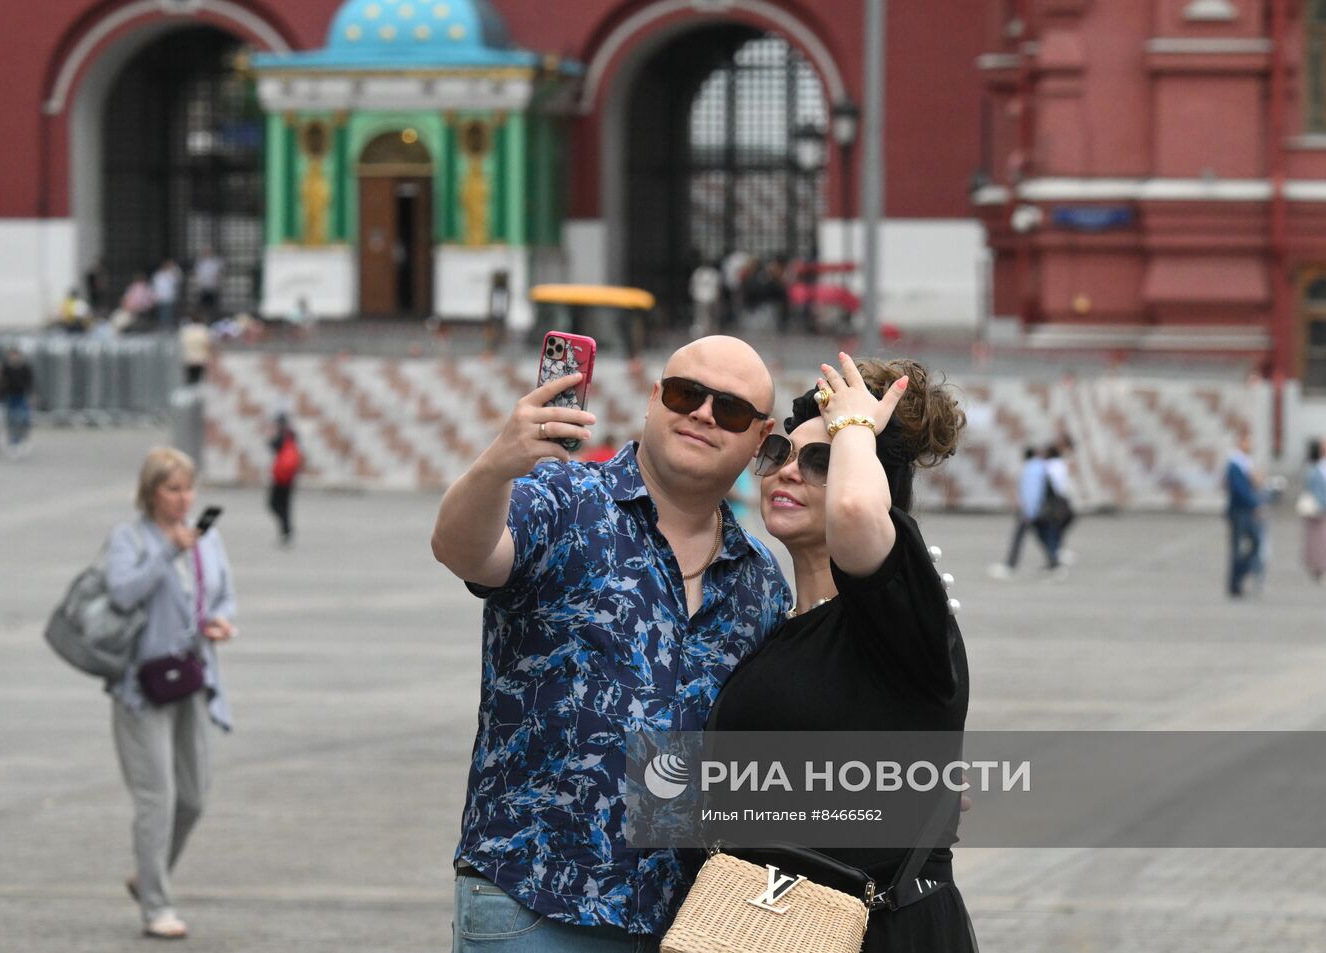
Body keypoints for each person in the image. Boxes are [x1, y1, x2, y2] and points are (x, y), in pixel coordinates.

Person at [431, 336, 791, 950]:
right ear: (654, 399)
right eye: (686, 394)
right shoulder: (566, 500)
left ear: (760, 439)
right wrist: (498, 465)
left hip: (682, 921)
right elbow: (464, 549)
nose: (702, 414)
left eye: (730, 410)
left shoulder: (759, 580)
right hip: (534, 903)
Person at [709, 353, 974, 951]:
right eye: (779, 454)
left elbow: (856, 513)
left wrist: (854, 426)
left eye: (821, 459)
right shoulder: (779, 623)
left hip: (881, 932)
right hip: (772, 928)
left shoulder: (901, 615)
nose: (786, 473)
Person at [105, 448, 236, 939]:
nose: (183, 499)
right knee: (155, 797)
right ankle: (155, 904)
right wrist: (167, 551)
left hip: (191, 678)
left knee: (194, 796)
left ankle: (147, 873)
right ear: (150, 493)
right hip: (140, 686)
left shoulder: (208, 538)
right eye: (172, 489)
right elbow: (122, 593)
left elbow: (221, 593)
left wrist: (219, 620)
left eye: (187, 488)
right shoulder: (130, 539)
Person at [988, 447, 1056, 578]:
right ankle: (1054, 563)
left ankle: (1010, 565)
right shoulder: (1041, 467)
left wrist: (1029, 512)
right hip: (1041, 510)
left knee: (1019, 538)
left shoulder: (1031, 469)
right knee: (1043, 537)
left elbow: (1032, 492)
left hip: (1031, 511)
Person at [1226, 432, 1264, 598]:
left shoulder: (1245, 463)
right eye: (1247, 442)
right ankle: (1235, 582)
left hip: (1246, 510)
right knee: (1238, 547)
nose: (1250, 445)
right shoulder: (1234, 463)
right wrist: (1254, 504)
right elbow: (1239, 490)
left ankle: (1239, 576)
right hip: (1240, 511)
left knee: (1254, 543)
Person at [269, 414, 302, 546]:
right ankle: (287, 529)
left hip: (280, 477)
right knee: (285, 505)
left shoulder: (281, 437)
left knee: (274, 504)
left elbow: (272, 445)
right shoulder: (292, 436)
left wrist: (271, 434)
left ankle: (286, 528)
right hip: (289, 477)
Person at [0, 347, 34, 458]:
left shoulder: (25, 367)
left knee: (24, 418)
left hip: (22, 396)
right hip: (10, 397)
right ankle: (13, 443)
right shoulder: (6, 368)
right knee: (12, 420)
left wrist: (32, 396)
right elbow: (0, 382)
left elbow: (30, 383)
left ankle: (24, 437)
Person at [1302, 438, 1326, 582]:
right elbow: (1313, 488)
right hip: (1319, 510)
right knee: (1318, 541)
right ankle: (1318, 566)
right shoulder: (1316, 468)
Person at [688, 255, 721, 338]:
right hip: (702, 297)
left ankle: (709, 330)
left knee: (708, 316)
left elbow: (716, 286)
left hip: (708, 297)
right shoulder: (699, 272)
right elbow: (693, 285)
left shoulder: (710, 273)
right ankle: (701, 331)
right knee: (701, 316)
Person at [192, 249, 223, 323]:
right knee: (202, 306)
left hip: (212, 287)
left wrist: (217, 283)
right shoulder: (200, 262)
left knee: (213, 306)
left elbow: (218, 274)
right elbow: (197, 274)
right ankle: (203, 320)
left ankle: (213, 321)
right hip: (203, 287)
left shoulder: (215, 262)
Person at [179, 315, 212, 385]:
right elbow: (206, 343)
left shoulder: (186, 330)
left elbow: (182, 343)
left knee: (190, 379)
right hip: (200, 358)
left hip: (188, 358)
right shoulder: (203, 329)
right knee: (198, 380)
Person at [152, 260, 182, 331]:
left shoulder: (171, 274)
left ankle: (168, 326)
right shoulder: (157, 275)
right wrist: (155, 295)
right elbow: (154, 286)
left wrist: (174, 267)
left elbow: (179, 279)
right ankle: (163, 326)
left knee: (169, 312)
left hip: (169, 296)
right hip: (160, 297)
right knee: (162, 313)